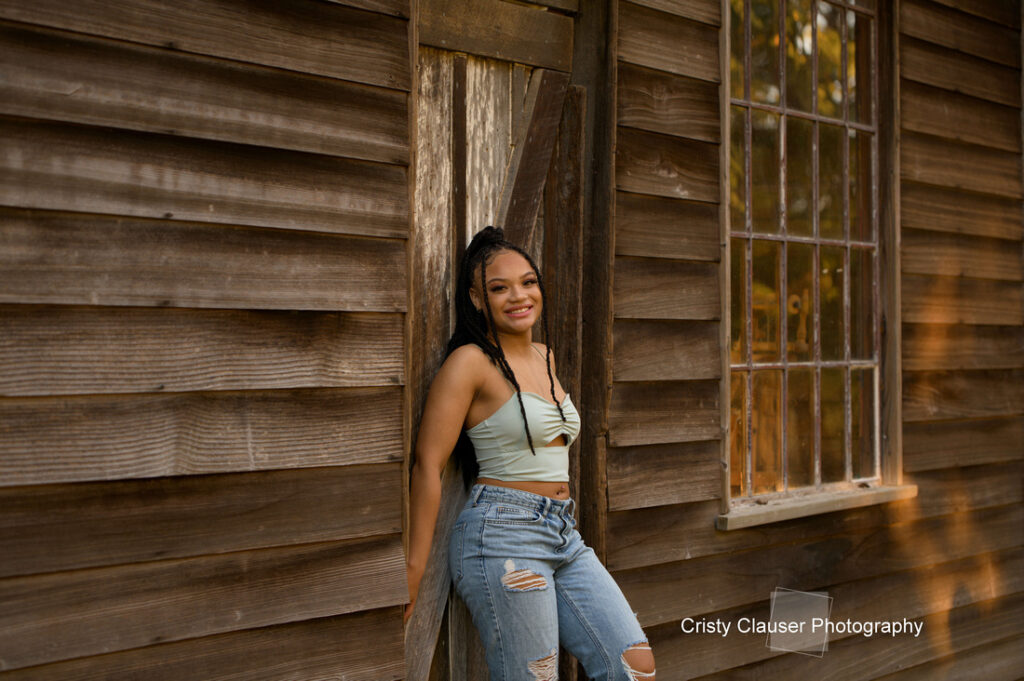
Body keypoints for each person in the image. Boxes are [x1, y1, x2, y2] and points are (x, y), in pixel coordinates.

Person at [405, 227, 656, 680]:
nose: (518, 296)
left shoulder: (545, 356)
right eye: (499, 288)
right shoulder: (470, 362)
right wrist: (412, 566)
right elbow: (428, 465)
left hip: (562, 530)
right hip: (501, 535)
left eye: (528, 282)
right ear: (477, 300)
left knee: (633, 665)